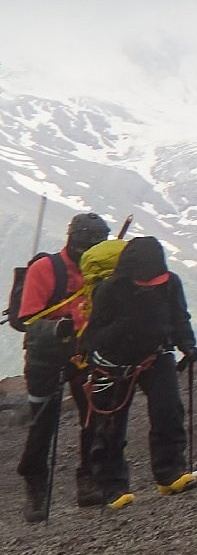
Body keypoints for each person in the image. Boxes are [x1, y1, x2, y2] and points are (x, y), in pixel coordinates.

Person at [70, 234, 197, 505]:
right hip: (112, 364)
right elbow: (93, 337)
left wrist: (188, 345)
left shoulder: (171, 283)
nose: (152, 286)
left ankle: (170, 473)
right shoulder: (108, 290)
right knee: (110, 426)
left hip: (156, 355)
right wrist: (123, 328)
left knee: (168, 410)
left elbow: (178, 316)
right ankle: (112, 487)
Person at [16, 211, 108, 520]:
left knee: (94, 414)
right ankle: (36, 487)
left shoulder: (101, 269)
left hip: (84, 352)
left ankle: (90, 479)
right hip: (46, 356)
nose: (87, 251)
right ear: (71, 239)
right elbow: (29, 318)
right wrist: (60, 328)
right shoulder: (45, 269)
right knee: (43, 420)